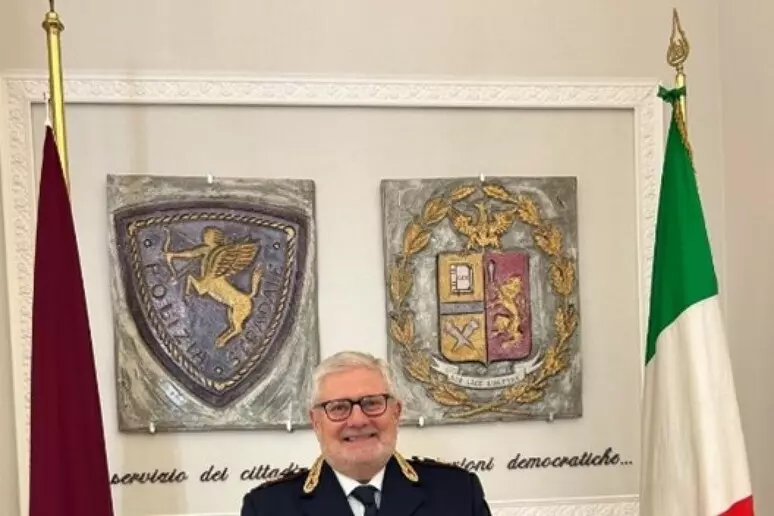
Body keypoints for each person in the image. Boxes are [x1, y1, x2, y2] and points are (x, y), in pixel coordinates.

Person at [240, 350, 492, 516]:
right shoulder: (268, 508)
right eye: (338, 407)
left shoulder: (457, 494)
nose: (358, 420)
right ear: (316, 422)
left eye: (372, 403)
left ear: (396, 412)